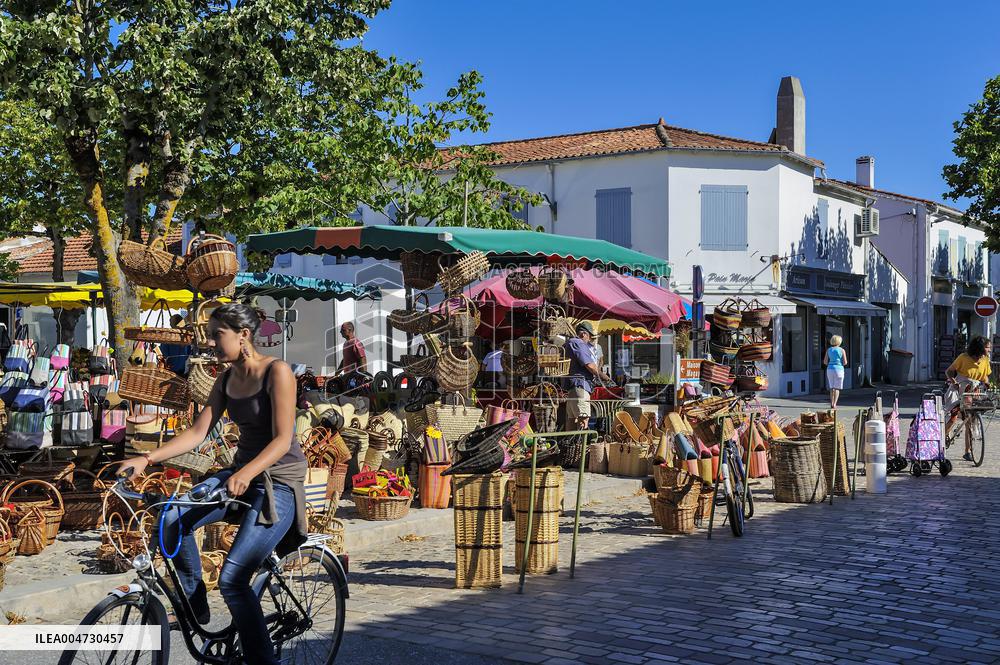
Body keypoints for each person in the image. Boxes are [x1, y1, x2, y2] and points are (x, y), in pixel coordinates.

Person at [117, 304, 306, 665]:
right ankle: (195, 603)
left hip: (278, 482)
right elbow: (197, 432)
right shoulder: (225, 379)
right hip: (241, 474)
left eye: (217, 334)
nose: (211, 342)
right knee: (171, 518)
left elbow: (283, 439)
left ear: (243, 335)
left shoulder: (277, 372)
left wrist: (247, 472)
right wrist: (146, 458)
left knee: (234, 579)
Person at [945, 335, 992, 461]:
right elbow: (949, 371)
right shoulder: (963, 358)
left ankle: (968, 451)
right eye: (988, 348)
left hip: (973, 391)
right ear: (980, 348)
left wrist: (987, 383)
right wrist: (953, 381)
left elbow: (985, 376)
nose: (989, 350)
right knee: (953, 417)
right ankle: (941, 441)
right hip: (959, 388)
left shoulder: (985, 360)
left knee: (970, 421)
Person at [564, 321, 611, 430]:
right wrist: (604, 377)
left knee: (572, 421)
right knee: (583, 420)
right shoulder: (578, 343)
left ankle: (570, 445)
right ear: (583, 334)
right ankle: (581, 446)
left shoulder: (569, 343)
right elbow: (590, 366)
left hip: (573, 388)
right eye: (589, 336)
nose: (589, 340)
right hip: (580, 386)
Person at [823, 335, 847, 409]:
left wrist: (831, 363)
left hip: (830, 369)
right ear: (839, 341)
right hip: (839, 369)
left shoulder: (829, 350)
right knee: (837, 388)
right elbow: (845, 362)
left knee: (832, 387)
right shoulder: (842, 350)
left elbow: (825, 362)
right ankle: (835, 404)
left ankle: (831, 402)